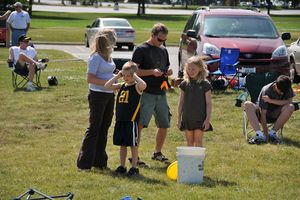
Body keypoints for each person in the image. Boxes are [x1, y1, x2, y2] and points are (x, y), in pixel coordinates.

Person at [132, 23, 173, 164]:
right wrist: (151, 72)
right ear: (152, 35)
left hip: (161, 92)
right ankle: (134, 156)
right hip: (146, 92)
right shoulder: (141, 49)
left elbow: (166, 67)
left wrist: (168, 71)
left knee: (164, 123)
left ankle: (157, 152)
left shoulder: (163, 50)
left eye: (164, 40)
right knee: (140, 124)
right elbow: (133, 71)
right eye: (160, 40)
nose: (162, 43)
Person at [77, 29, 117, 172]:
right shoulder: (95, 57)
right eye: (113, 39)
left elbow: (106, 73)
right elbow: (91, 78)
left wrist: (117, 76)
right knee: (94, 128)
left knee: (104, 128)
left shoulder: (108, 56)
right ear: (107, 41)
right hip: (97, 96)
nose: (115, 42)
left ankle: (99, 162)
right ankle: (84, 164)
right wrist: (111, 84)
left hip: (109, 95)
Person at [104, 61, 147, 176]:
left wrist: (135, 75)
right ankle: (122, 166)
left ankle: (134, 167)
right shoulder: (121, 85)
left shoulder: (137, 86)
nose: (127, 78)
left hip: (131, 121)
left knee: (133, 145)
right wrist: (118, 76)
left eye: (129, 76)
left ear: (133, 75)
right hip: (120, 120)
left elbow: (144, 85)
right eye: (125, 75)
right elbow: (107, 86)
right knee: (122, 145)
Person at [244, 75, 295, 144]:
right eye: (280, 91)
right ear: (276, 85)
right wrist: (265, 133)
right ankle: (260, 135)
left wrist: (271, 101)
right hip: (261, 113)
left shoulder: (286, 87)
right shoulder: (266, 90)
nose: (282, 93)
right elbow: (263, 114)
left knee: (291, 106)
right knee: (247, 104)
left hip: (276, 113)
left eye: (284, 92)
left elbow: (289, 101)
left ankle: (272, 134)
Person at [177, 56, 213, 147]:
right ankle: (190, 161)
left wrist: (207, 120)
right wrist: (179, 119)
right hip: (187, 118)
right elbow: (181, 102)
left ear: (200, 69)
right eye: (189, 69)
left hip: (200, 118)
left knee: (198, 142)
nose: (191, 71)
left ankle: (198, 161)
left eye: (193, 69)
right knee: (189, 143)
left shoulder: (205, 84)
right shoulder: (184, 84)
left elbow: (209, 103)